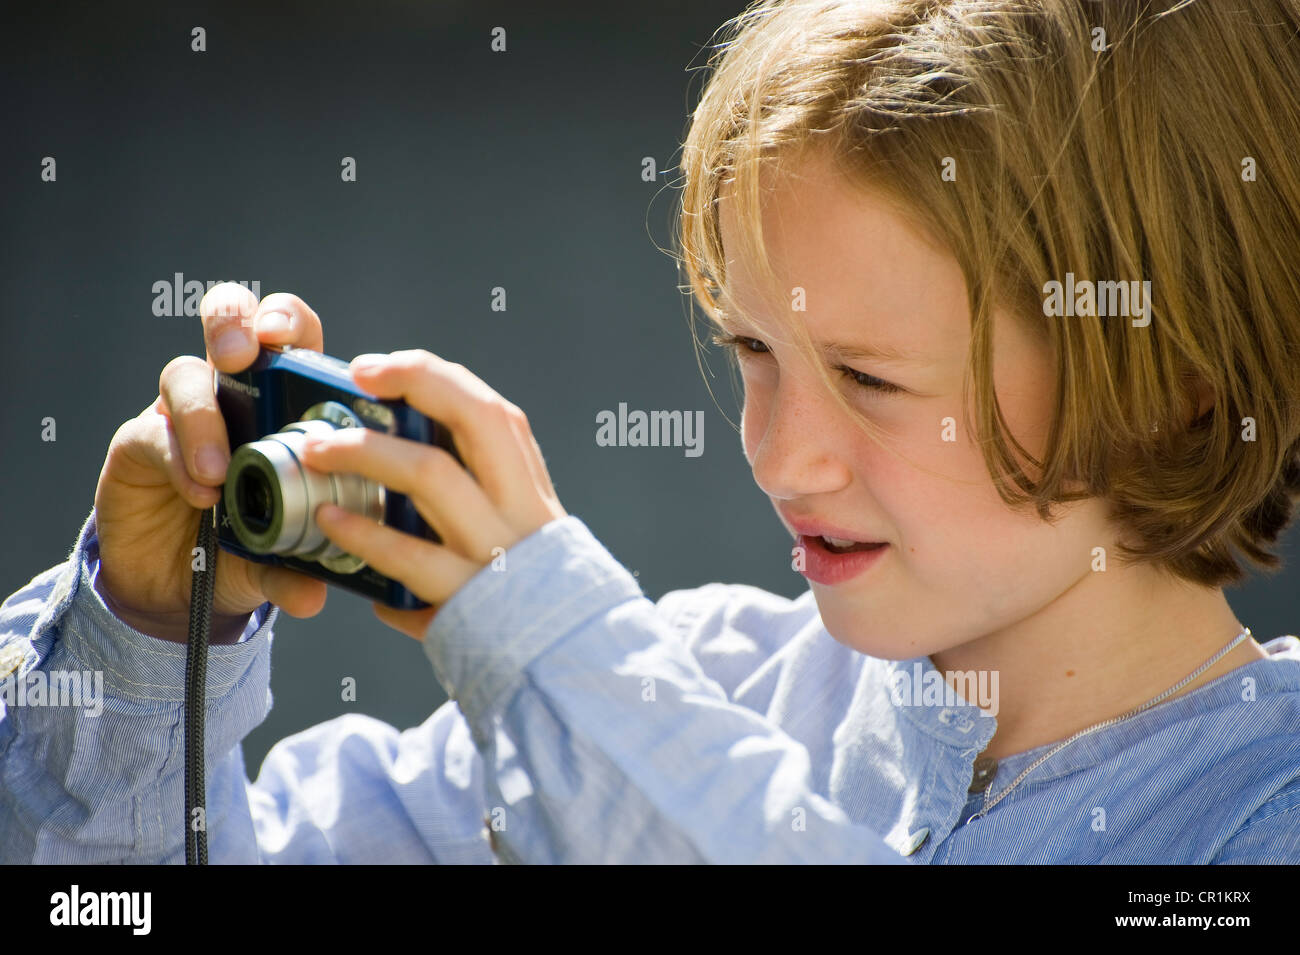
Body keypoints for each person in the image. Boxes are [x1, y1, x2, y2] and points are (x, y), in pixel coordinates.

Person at [3, 0, 1300, 864]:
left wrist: (557, 657)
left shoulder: (1260, 813)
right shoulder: (707, 681)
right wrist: (141, 640)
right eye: (752, 352)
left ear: (1173, 375)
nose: (783, 456)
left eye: (872, 379)